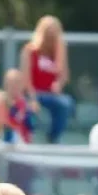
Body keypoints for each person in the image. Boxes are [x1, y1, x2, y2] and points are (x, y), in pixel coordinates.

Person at [20, 15, 74, 143]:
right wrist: (32, 97)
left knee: (65, 104)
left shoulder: (59, 50)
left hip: (51, 94)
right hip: (33, 93)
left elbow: (64, 75)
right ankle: (28, 137)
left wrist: (58, 84)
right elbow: (26, 78)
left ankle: (53, 138)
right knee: (29, 108)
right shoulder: (30, 50)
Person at [2, 68, 35, 144]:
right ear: (5, 84)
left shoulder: (25, 104)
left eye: (17, 83)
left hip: (21, 140)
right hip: (4, 139)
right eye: (11, 83)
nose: (14, 86)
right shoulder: (1, 101)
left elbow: (29, 125)